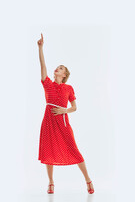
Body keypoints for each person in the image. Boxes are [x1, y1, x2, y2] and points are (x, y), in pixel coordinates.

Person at [37, 33, 94, 194]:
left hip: (62, 122)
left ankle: (88, 180)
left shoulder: (68, 88)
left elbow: (75, 107)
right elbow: (43, 67)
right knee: (48, 151)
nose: (57, 68)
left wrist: (64, 110)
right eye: (58, 67)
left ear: (64, 75)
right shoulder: (48, 84)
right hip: (48, 121)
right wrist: (41, 48)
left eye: (61, 68)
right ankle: (51, 182)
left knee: (74, 149)